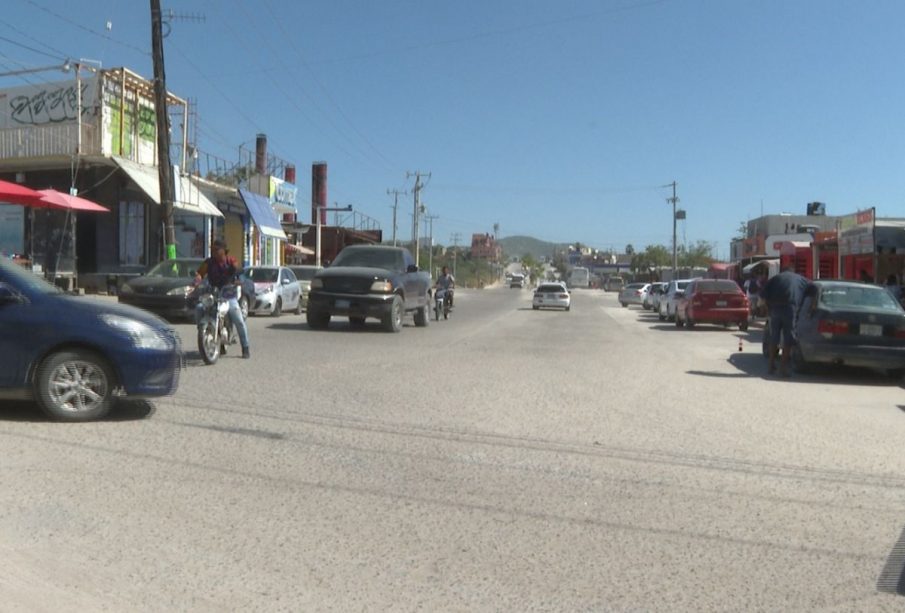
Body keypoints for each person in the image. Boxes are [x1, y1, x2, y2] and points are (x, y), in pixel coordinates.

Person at [194, 240, 250, 359]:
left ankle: (245, 347)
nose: (214, 252)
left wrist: (239, 280)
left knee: (238, 318)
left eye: (216, 249)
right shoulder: (208, 263)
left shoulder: (231, 261)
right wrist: (196, 281)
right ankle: (204, 331)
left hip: (228, 295)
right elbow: (200, 273)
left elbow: (239, 273)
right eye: (212, 249)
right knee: (199, 308)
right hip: (213, 294)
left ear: (223, 251)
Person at [760, 267, 808, 377]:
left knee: (774, 338)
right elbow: (814, 288)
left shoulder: (775, 279)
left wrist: (768, 309)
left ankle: (771, 365)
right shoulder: (801, 279)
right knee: (788, 339)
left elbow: (762, 295)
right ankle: (783, 367)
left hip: (775, 309)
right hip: (790, 309)